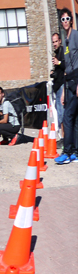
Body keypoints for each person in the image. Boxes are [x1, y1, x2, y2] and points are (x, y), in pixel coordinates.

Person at [56, 9, 78, 164]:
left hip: (77, 80)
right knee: (75, 118)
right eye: (62, 19)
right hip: (68, 81)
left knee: (67, 117)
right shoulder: (65, 40)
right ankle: (76, 152)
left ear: (71, 20)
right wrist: (64, 90)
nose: (65, 21)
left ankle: (67, 152)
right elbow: (65, 69)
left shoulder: (76, 35)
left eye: (67, 18)